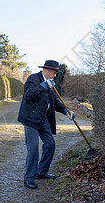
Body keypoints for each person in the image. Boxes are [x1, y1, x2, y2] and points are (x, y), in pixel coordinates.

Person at [17, 60, 75, 189]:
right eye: (54, 72)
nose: (55, 75)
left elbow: (54, 102)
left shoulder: (51, 84)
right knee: (33, 149)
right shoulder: (33, 79)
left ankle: (41, 172)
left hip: (42, 119)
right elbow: (28, 95)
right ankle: (29, 178)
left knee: (50, 144)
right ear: (47, 70)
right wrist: (42, 86)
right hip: (31, 119)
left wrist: (66, 110)